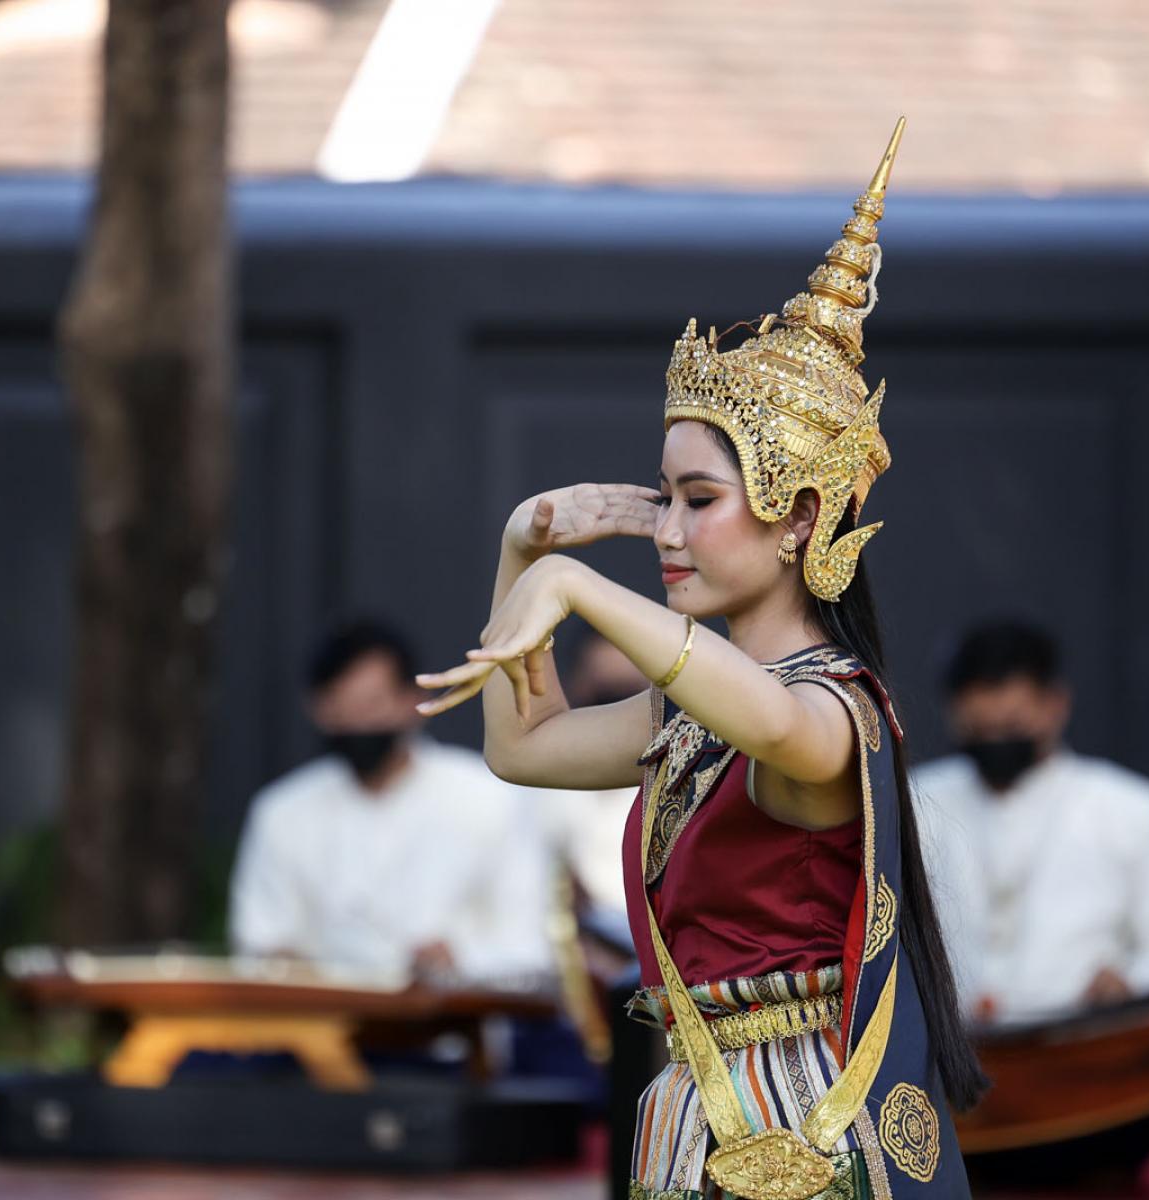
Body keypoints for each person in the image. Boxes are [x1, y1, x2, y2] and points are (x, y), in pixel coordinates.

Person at [418, 120, 981, 1200]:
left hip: (795, 1130)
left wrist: (586, 590)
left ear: (798, 517)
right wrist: (520, 548)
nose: (666, 530)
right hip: (695, 1106)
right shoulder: (691, 718)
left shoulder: (830, 714)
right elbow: (520, 746)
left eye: (699, 501)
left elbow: (770, 726)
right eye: (662, 497)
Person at [913, 621, 1149, 1026]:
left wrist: (1129, 980)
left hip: (1082, 1050)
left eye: (1011, 728)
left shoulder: (1134, 809)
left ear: (1056, 705)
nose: (995, 742)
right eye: (978, 731)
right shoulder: (916, 802)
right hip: (947, 1053)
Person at [228, 620, 551, 984]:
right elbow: (260, 943)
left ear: (412, 700)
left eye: (371, 705)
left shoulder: (489, 798)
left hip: (459, 1025)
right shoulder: (282, 813)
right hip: (324, 1028)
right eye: (340, 709)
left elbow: (531, 950)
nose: (359, 725)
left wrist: (458, 958)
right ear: (317, 710)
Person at [536, 628, 651, 930]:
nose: (616, 714)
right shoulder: (531, 785)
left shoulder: (689, 781)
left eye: (629, 695)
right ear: (577, 687)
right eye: (605, 694)